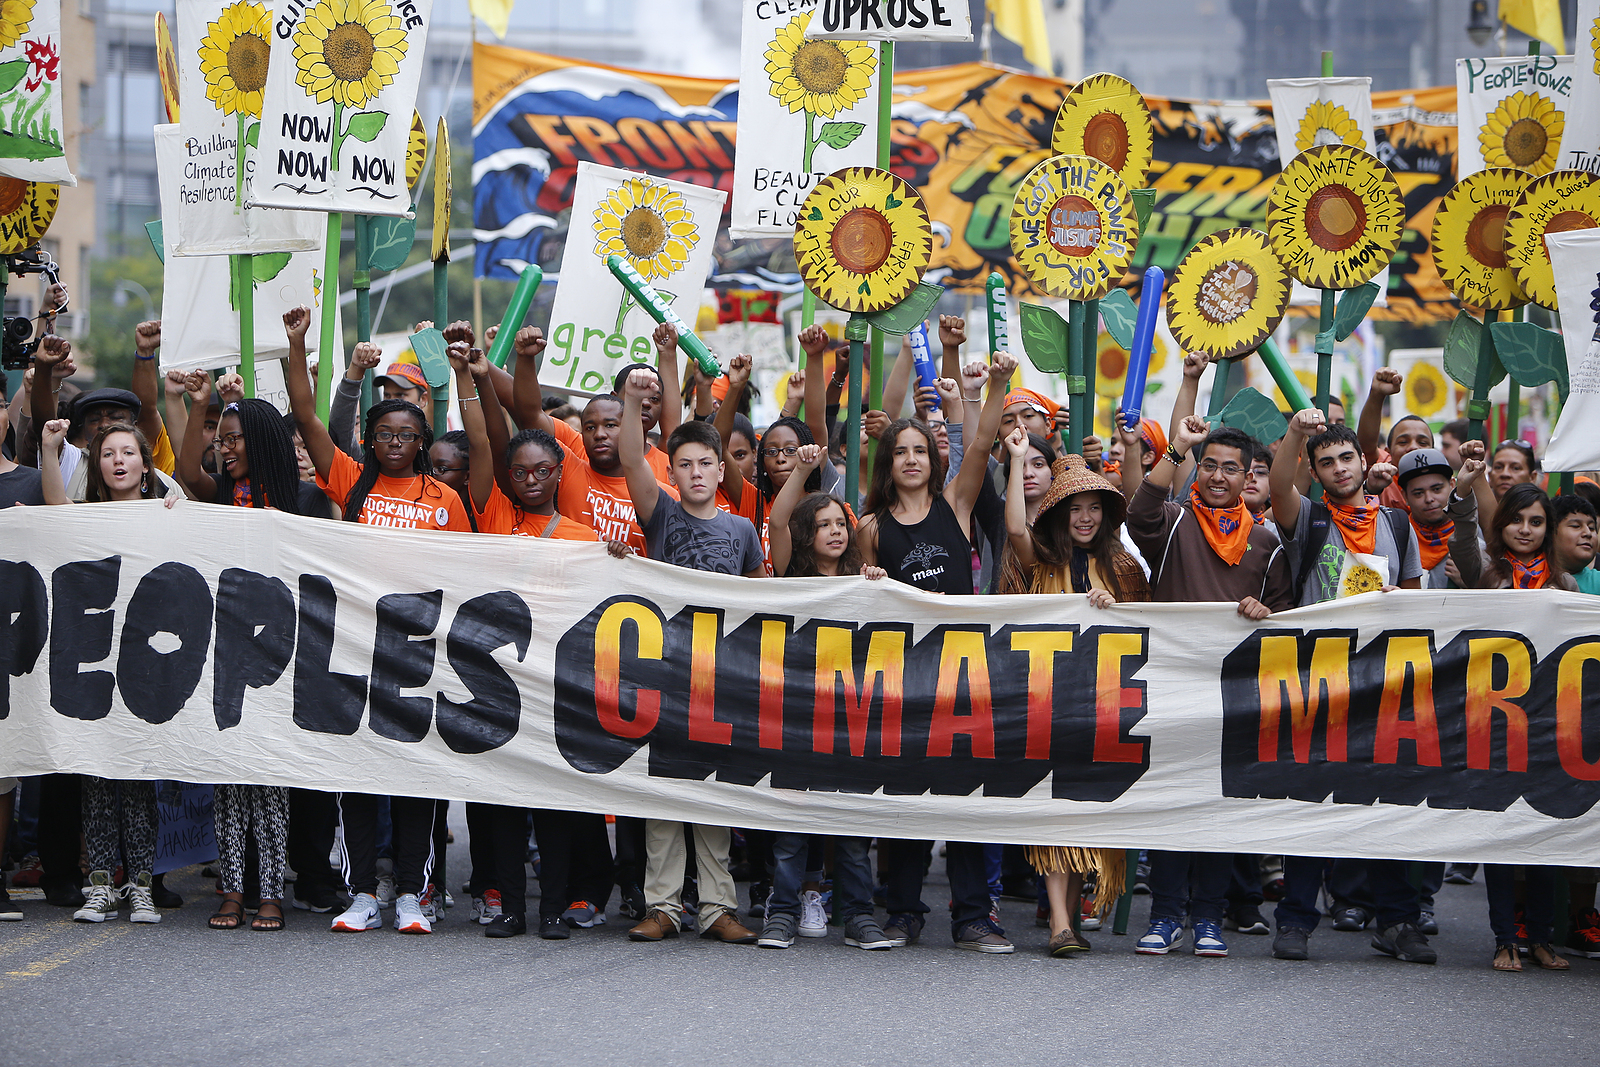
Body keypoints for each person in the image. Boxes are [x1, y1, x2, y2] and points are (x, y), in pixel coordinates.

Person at [283, 307, 469, 936]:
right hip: (358, 649)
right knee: (361, 777)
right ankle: (364, 892)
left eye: (406, 435)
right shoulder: (351, 481)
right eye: (384, 433)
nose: (394, 443)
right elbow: (306, 419)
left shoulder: (447, 501)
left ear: (422, 442)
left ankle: (414, 895)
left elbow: (468, 577)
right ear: (370, 439)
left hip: (419, 653)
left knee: (415, 777)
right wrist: (297, 343)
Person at [859, 351, 1019, 953]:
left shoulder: (956, 505)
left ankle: (974, 916)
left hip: (963, 676)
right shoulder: (871, 526)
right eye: (899, 451)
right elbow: (850, 594)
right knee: (905, 800)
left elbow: (979, 445)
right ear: (888, 462)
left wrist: (996, 385)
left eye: (919, 451)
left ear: (931, 460)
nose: (909, 460)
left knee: (966, 800)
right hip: (902, 680)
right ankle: (902, 911)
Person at [1267, 409, 1433, 964]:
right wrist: (1296, 434)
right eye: (1326, 462)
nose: (1338, 468)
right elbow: (1277, 482)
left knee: (1386, 804)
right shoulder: (1307, 518)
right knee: (1311, 801)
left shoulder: (1400, 525)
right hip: (1320, 682)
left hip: (1384, 685)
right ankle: (1294, 922)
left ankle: (1398, 920)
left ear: (1365, 461)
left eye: (1346, 458)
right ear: (1313, 473)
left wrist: (1397, 607)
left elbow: (1416, 606)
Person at [1126, 415, 1293, 958]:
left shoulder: (1267, 542)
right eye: (1210, 465)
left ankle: (1208, 919)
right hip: (1173, 686)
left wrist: (1264, 611)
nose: (1219, 476)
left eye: (1232, 469)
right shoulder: (1173, 522)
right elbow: (1139, 510)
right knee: (1173, 804)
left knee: (1216, 808)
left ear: (1250, 479)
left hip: (1234, 696)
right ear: (1198, 470)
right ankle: (1165, 915)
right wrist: (1176, 448)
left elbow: (1287, 617)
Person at [614, 369, 762, 946]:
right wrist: (632, 401)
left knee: (713, 791)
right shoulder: (662, 515)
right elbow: (630, 459)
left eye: (706, 463)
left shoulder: (743, 529)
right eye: (684, 465)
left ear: (722, 471)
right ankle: (664, 906)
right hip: (667, 670)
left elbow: (759, 601)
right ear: (669, 473)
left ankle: (718, 907)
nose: (696, 473)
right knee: (664, 788)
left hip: (721, 676)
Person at [173, 372, 309, 932]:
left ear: (262, 440)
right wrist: (200, 405)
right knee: (229, 780)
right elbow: (185, 472)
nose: (223, 450)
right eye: (219, 440)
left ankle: (271, 892)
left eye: (232, 439)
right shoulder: (221, 497)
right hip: (225, 655)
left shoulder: (305, 502)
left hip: (281, 659)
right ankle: (232, 890)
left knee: (269, 782)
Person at [1001, 436, 1141, 956]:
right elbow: (1016, 525)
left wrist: (1115, 608)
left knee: (1090, 813)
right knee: (1054, 812)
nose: (1085, 519)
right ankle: (1060, 922)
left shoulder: (1124, 568)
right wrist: (1016, 460)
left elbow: (1147, 630)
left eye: (1094, 509)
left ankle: (1071, 917)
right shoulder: (1040, 559)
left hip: (1106, 705)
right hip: (1050, 702)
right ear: (1059, 515)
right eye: (1075, 509)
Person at [751, 442, 893, 951]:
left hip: (851, 721)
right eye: (825, 524)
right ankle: (783, 914)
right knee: (791, 831)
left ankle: (858, 917)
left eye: (841, 523)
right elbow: (777, 521)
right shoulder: (793, 576)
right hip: (798, 718)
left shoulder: (864, 580)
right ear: (808, 536)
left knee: (852, 832)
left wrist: (876, 586)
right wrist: (807, 469)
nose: (835, 530)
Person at [38, 417, 172, 924]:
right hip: (93, 663)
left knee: (138, 776)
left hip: (146, 666)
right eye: (108, 453)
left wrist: (179, 509)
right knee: (95, 776)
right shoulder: (87, 517)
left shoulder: (167, 513)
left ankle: (140, 887)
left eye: (128, 452)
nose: (118, 460)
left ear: (145, 464)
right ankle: (100, 885)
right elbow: (54, 506)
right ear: (97, 466)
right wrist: (50, 448)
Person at [1395, 447, 1476, 590]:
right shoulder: (1397, 539)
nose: (1429, 499)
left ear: (1452, 485)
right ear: (1405, 496)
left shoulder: (1473, 534)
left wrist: (1474, 581)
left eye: (1437, 489)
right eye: (1418, 493)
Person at [1355, 367, 1433, 508]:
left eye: (1422, 442)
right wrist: (1377, 395)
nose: (1413, 447)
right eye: (1403, 442)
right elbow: (1365, 448)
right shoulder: (1382, 479)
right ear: (1388, 452)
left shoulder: (1446, 483)